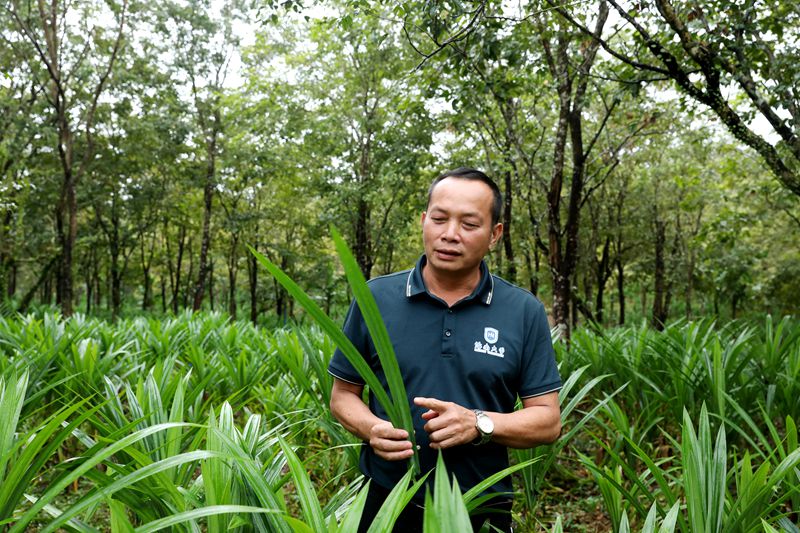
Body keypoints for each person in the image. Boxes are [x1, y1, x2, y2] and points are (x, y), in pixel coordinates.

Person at [328, 167, 562, 532]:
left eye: (469, 224)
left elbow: (547, 420)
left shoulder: (523, 311)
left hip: (481, 504)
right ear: (424, 221)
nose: (450, 234)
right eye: (439, 219)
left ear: (494, 234)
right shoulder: (375, 298)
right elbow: (343, 395)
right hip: (386, 500)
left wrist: (478, 422)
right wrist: (371, 428)